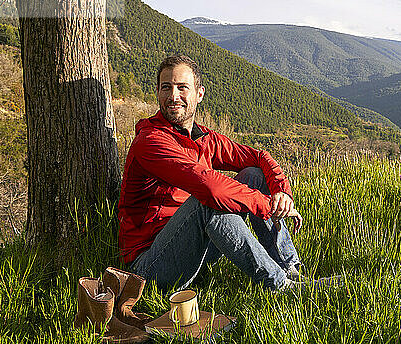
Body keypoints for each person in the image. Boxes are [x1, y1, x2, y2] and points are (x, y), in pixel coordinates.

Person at [118, 54, 304, 291]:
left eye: (182, 88)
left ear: (199, 94)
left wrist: (281, 193)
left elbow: (258, 157)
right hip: (150, 267)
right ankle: (278, 286)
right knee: (208, 201)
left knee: (254, 174)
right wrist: (268, 205)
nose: (173, 96)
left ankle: (290, 269)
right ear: (158, 93)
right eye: (166, 88)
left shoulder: (203, 138)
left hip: (195, 249)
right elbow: (210, 188)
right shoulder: (151, 141)